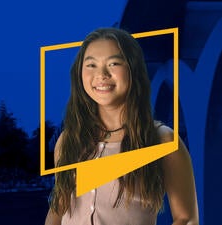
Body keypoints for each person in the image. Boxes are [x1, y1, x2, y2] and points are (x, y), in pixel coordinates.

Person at [45, 27, 199, 225]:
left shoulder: (163, 140)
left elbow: (186, 219)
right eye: (91, 65)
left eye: (114, 63)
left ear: (133, 69)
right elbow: (58, 209)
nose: (101, 74)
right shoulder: (68, 140)